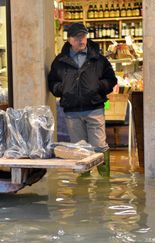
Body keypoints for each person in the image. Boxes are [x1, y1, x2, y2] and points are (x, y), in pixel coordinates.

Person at [48, 22, 117, 177]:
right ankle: (83, 185)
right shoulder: (59, 61)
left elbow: (111, 79)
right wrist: (63, 90)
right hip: (72, 112)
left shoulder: (98, 59)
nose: (82, 40)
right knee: (79, 150)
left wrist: (98, 87)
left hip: (94, 109)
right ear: (69, 40)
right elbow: (52, 82)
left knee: (99, 146)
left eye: (84, 36)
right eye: (78, 37)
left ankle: (104, 182)